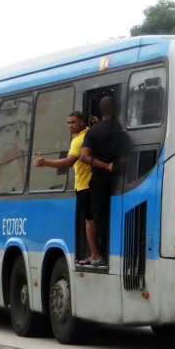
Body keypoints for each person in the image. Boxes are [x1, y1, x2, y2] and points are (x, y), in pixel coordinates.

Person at [33, 111, 101, 266]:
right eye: (68, 123)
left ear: (82, 122)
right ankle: (95, 254)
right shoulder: (90, 134)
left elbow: (69, 162)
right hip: (90, 184)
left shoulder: (79, 140)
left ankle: (95, 255)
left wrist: (45, 163)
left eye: (73, 122)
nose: (70, 125)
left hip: (84, 186)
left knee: (89, 221)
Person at [80, 97, 118, 267]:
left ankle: (98, 255)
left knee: (98, 218)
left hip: (100, 179)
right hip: (123, 179)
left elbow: (85, 157)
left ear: (101, 111)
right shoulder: (121, 129)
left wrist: (105, 166)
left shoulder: (93, 131)